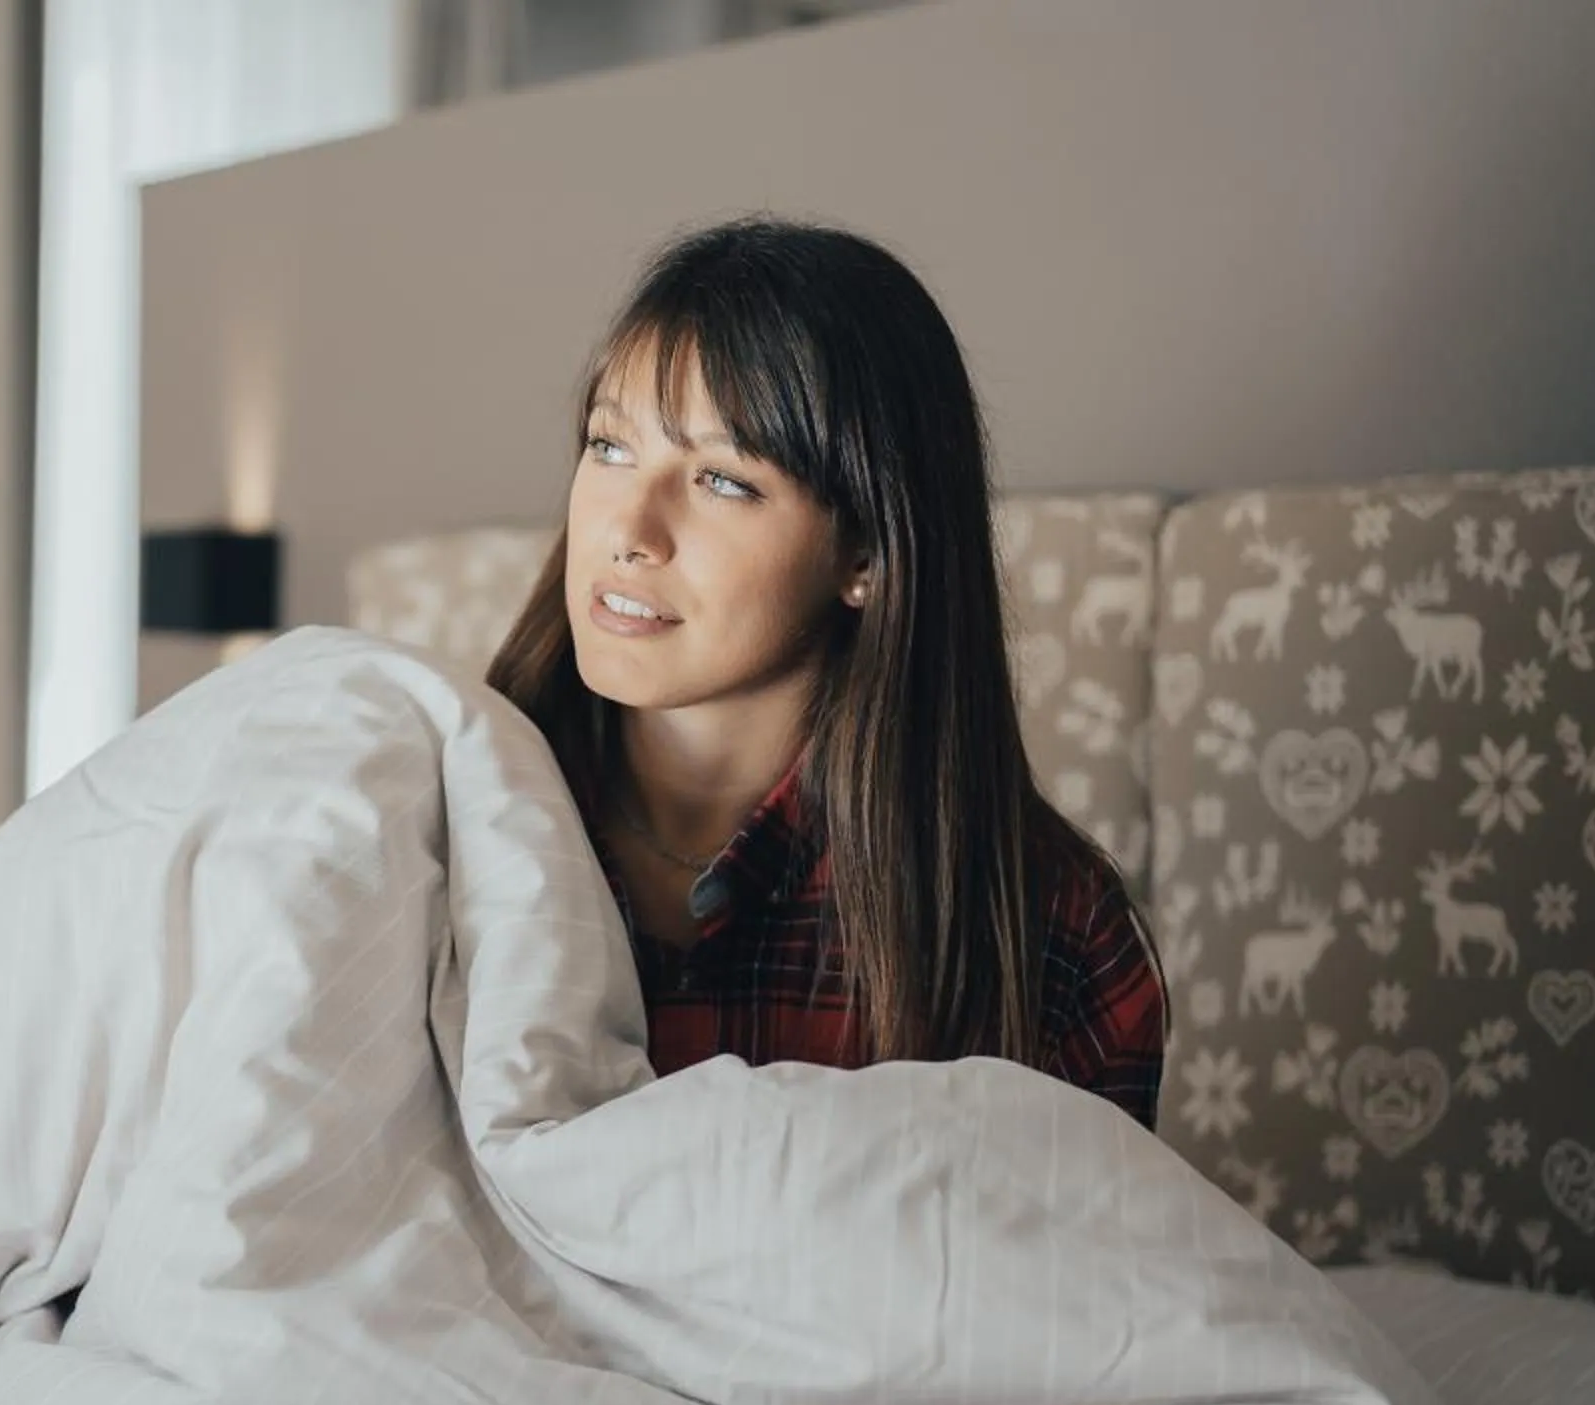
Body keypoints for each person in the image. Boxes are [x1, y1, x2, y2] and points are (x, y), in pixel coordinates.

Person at [486, 217, 1165, 1127]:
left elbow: (1072, 1264)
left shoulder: (1047, 931)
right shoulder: (439, 824)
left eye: (723, 480)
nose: (627, 532)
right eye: (610, 448)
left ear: (867, 555)